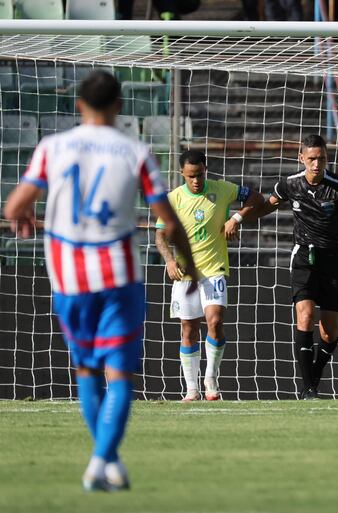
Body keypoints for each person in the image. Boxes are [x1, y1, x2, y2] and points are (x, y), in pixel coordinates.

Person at [2, 70, 198, 491]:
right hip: (118, 275)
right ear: (120, 107)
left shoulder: (52, 147)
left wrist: (25, 218)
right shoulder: (134, 150)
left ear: (78, 105)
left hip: (68, 278)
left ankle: (106, 462)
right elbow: (168, 219)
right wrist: (192, 266)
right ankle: (101, 459)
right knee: (120, 375)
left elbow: (15, 205)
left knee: (87, 370)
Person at [255, 134, 338, 399]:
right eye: (311, 158)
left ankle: (312, 376)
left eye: (321, 158)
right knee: (304, 316)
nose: (316, 164)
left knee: (329, 331)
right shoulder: (290, 185)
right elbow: (265, 207)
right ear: (301, 158)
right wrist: (235, 218)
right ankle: (308, 388)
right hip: (304, 257)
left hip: (334, 259)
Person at [155, 150, 262, 402]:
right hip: (185, 274)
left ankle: (210, 379)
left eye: (200, 175)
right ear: (181, 173)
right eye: (191, 176)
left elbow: (256, 198)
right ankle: (191, 389)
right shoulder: (172, 199)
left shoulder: (223, 189)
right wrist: (169, 260)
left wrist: (236, 217)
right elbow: (159, 234)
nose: (196, 181)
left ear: (206, 170)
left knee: (214, 321)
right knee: (188, 329)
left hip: (214, 269)